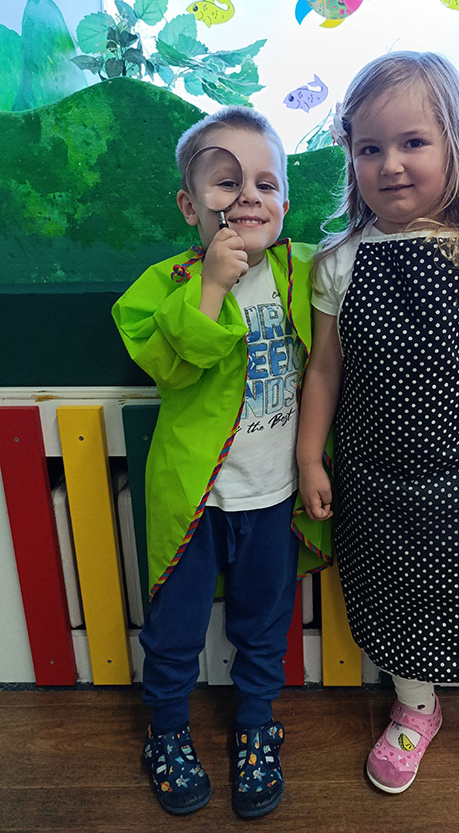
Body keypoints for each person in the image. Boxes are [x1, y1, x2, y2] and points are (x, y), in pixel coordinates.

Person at [297, 51, 459, 815]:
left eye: (413, 142)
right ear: (351, 156)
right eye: (369, 147)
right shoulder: (337, 262)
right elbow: (324, 372)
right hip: (371, 480)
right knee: (392, 595)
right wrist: (310, 458)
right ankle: (415, 708)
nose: (390, 164)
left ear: (454, 145)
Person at [112, 106, 330, 818]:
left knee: (264, 622)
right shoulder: (163, 286)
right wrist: (210, 286)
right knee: (174, 628)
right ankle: (167, 731)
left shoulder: (305, 271)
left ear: (285, 204)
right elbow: (173, 366)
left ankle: (256, 724)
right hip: (195, 500)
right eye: (226, 182)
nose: (248, 198)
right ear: (190, 204)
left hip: (274, 495)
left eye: (266, 184)